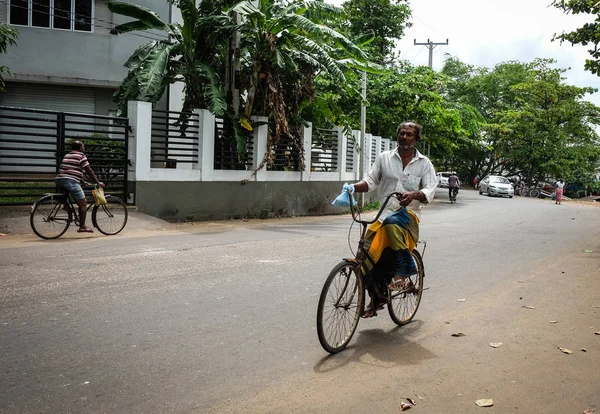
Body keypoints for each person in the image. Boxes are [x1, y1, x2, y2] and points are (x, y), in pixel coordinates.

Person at [341, 121, 437, 318]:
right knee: (365, 255)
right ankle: (377, 297)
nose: (404, 137)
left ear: (416, 139)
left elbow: (430, 189)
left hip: (408, 217)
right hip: (383, 214)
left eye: (409, 134)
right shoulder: (385, 157)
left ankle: (405, 268)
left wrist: (414, 194)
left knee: (392, 224)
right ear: (397, 136)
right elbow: (371, 181)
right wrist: (351, 187)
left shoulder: (424, 163)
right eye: (402, 133)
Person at [55, 141, 105, 233]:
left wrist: (82, 181)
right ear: (80, 148)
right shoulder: (81, 156)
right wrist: (97, 182)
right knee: (83, 203)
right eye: (83, 146)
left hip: (59, 180)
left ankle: (66, 207)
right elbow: (89, 170)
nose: (84, 148)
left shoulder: (67, 155)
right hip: (70, 181)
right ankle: (82, 226)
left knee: (71, 197)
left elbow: (70, 169)